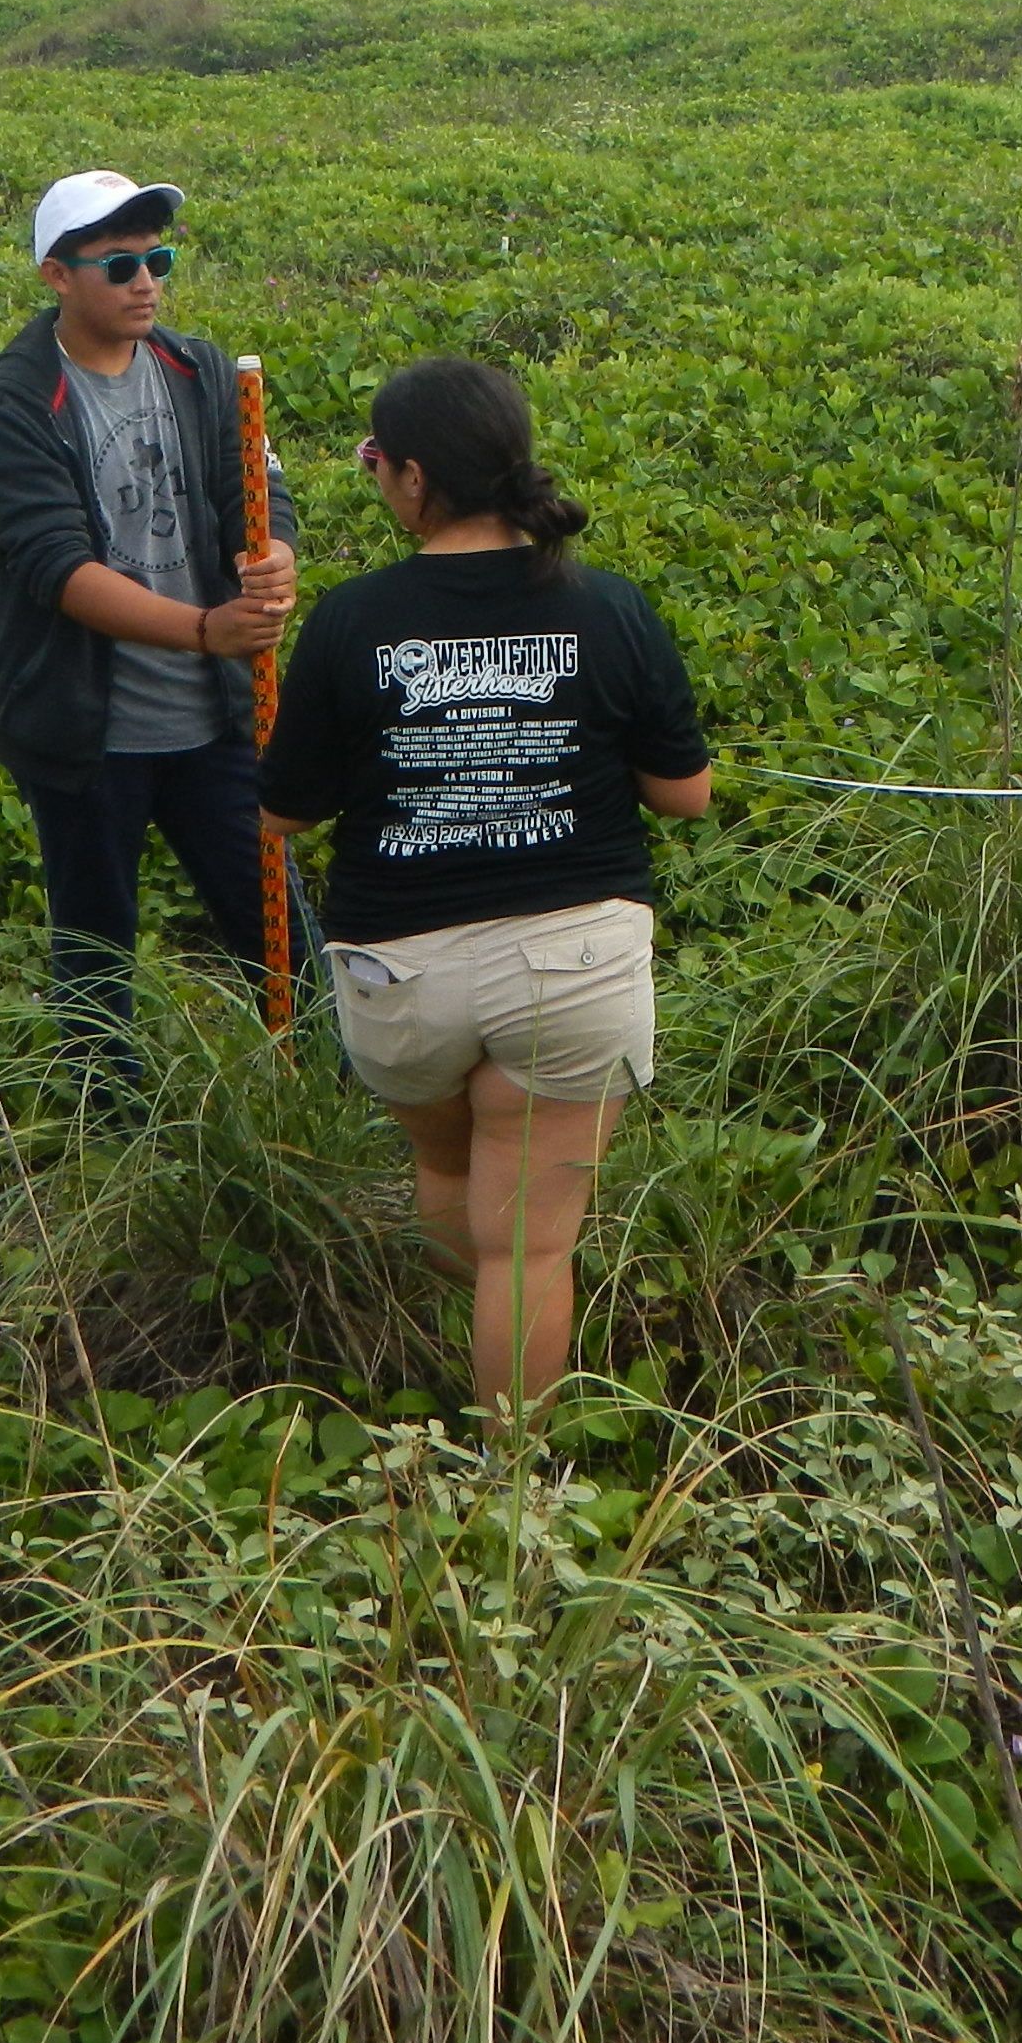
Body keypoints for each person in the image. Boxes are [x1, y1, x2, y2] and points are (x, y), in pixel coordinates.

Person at [254, 358, 710, 1417]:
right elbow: (684, 796)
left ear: (411, 478)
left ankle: (463, 1352)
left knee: (450, 1181)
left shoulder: (350, 620)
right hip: (574, 963)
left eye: (373, 462)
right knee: (533, 1249)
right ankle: (520, 1478)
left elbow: (283, 816)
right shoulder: (607, 606)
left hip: (403, 971)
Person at [0, 169, 298, 1101]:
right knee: (96, 947)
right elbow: (57, 570)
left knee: (281, 932)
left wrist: (277, 558)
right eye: (120, 265)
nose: (146, 282)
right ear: (56, 277)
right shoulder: (13, 406)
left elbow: (259, 496)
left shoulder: (199, 370)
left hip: (215, 717)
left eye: (159, 259)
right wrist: (205, 628)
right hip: (85, 731)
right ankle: (110, 1129)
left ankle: (327, 1092)